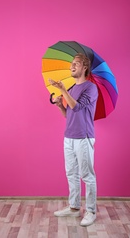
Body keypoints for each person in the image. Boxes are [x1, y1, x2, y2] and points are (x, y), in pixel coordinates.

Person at [49, 53, 98, 227]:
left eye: (76, 64)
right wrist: (59, 105)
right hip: (68, 137)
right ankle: (74, 207)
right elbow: (68, 114)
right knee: (71, 173)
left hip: (84, 137)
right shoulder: (71, 88)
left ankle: (91, 211)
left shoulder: (90, 88)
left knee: (87, 175)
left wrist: (62, 90)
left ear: (85, 67)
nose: (72, 66)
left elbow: (77, 108)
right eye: (72, 64)